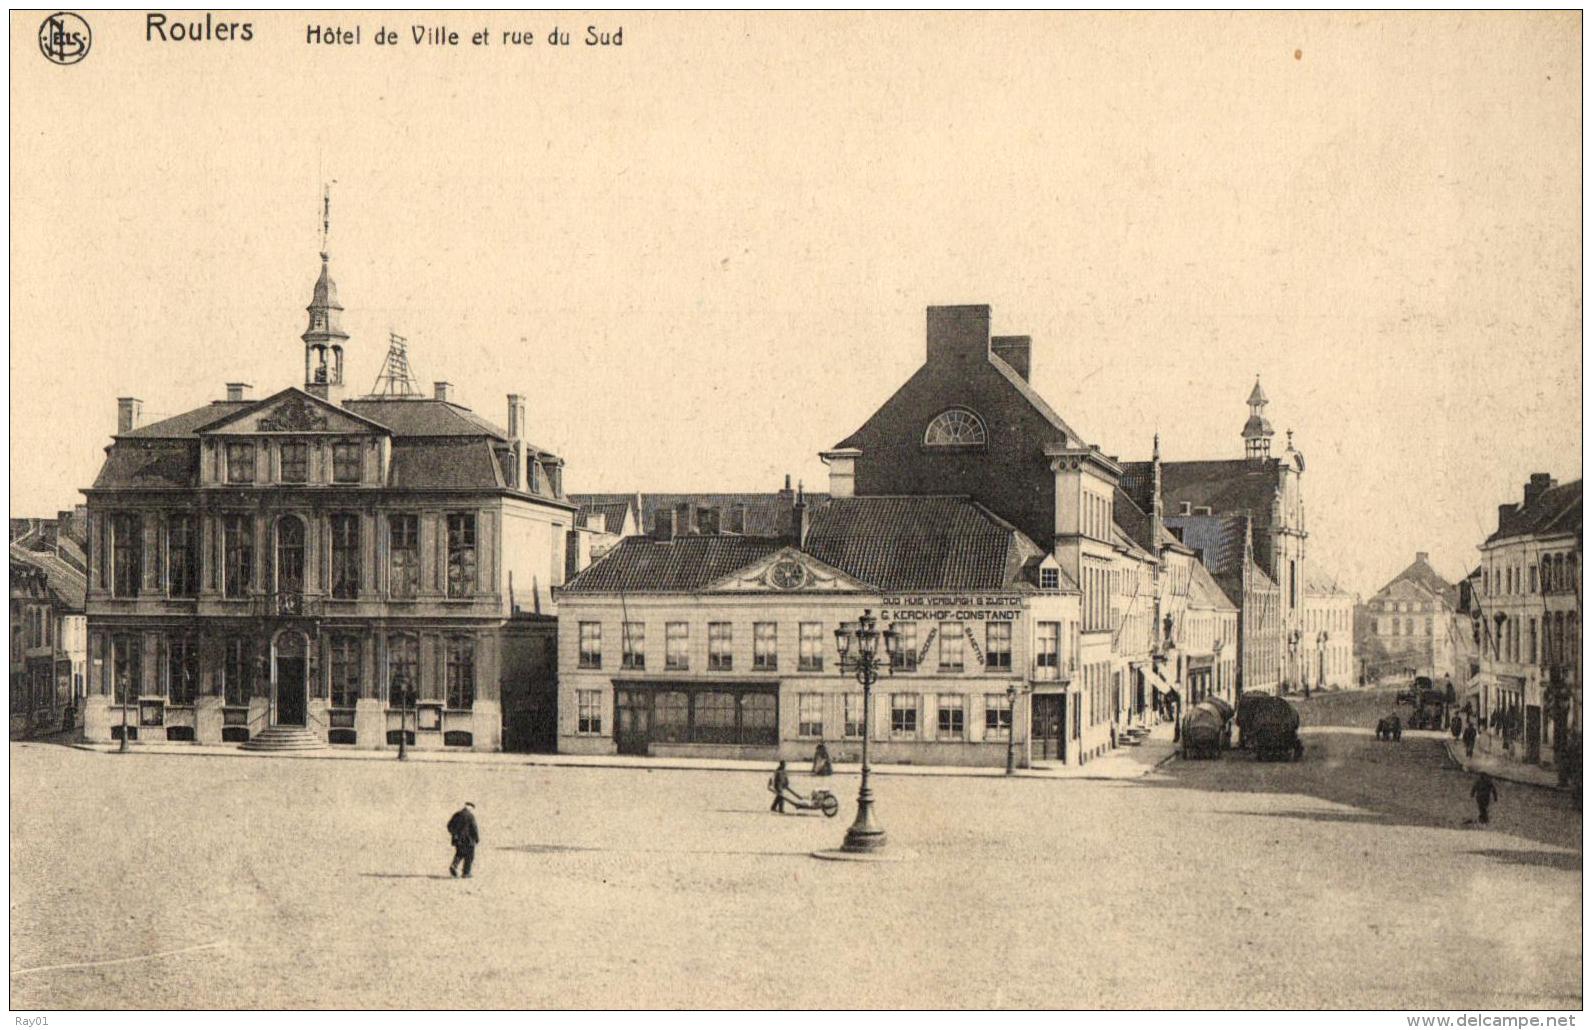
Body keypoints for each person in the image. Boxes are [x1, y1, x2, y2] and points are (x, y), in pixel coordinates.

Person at [447, 802, 480, 879]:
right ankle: (466, 872)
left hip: (458, 839)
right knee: (470, 855)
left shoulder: (457, 814)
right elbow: (474, 828)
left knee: (460, 853)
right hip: (468, 840)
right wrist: (477, 838)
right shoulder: (470, 816)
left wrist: (454, 834)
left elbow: (449, 825)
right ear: (471, 808)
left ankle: (454, 865)